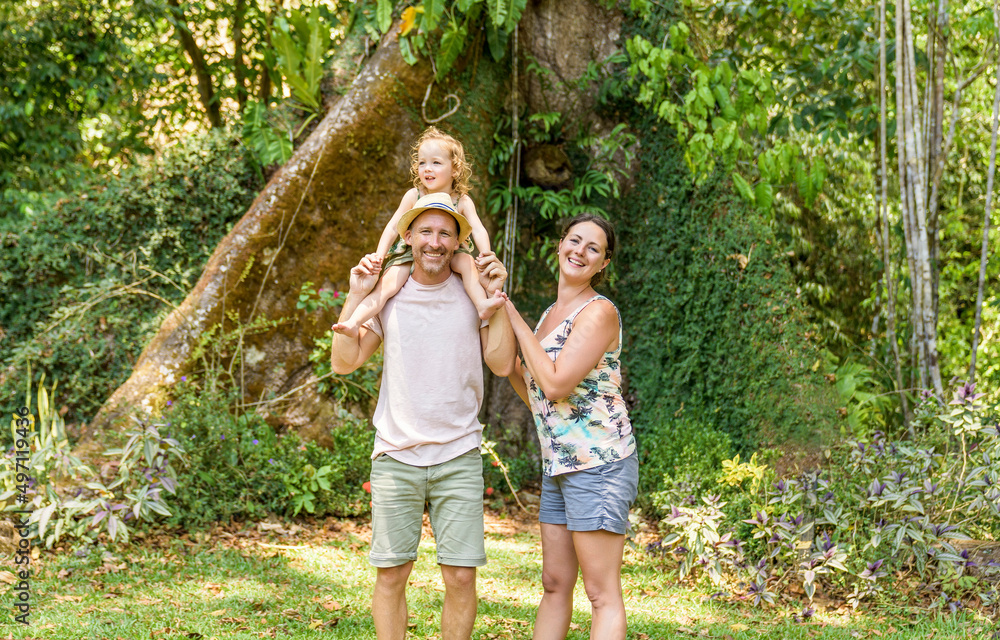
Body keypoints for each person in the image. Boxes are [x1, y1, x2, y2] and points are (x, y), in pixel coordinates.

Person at [330, 193, 516, 640]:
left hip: (459, 454)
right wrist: (355, 295)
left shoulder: (473, 293)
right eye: (426, 232)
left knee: (461, 578)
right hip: (396, 454)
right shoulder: (388, 294)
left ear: (457, 243)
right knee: (392, 575)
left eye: (445, 233)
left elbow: (502, 363)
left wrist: (496, 297)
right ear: (409, 236)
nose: (435, 242)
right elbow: (343, 361)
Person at [505, 214, 638, 640]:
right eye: (574, 241)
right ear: (560, 244)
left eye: (592, 248)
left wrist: (511, 314)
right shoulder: (548, 315)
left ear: (604, 263)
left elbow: (558, 384)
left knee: (600, 593)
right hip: (560, 466)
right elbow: (537, 393)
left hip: (600, 463)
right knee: (555, 584)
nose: (579, 251)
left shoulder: (598, 313)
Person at [332, 127, 504, 337]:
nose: (427, 169)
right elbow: (393, 226)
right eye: (422, 163)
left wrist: (485, 255)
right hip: (411, 252)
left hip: (452, 250)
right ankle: (354, 322)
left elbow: (477, 228)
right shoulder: (415, 194)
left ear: (455, 169)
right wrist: (379, 254)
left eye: (436, 163)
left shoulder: (462, 199)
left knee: (468, 266)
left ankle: (481, 305)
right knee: (387, 284)